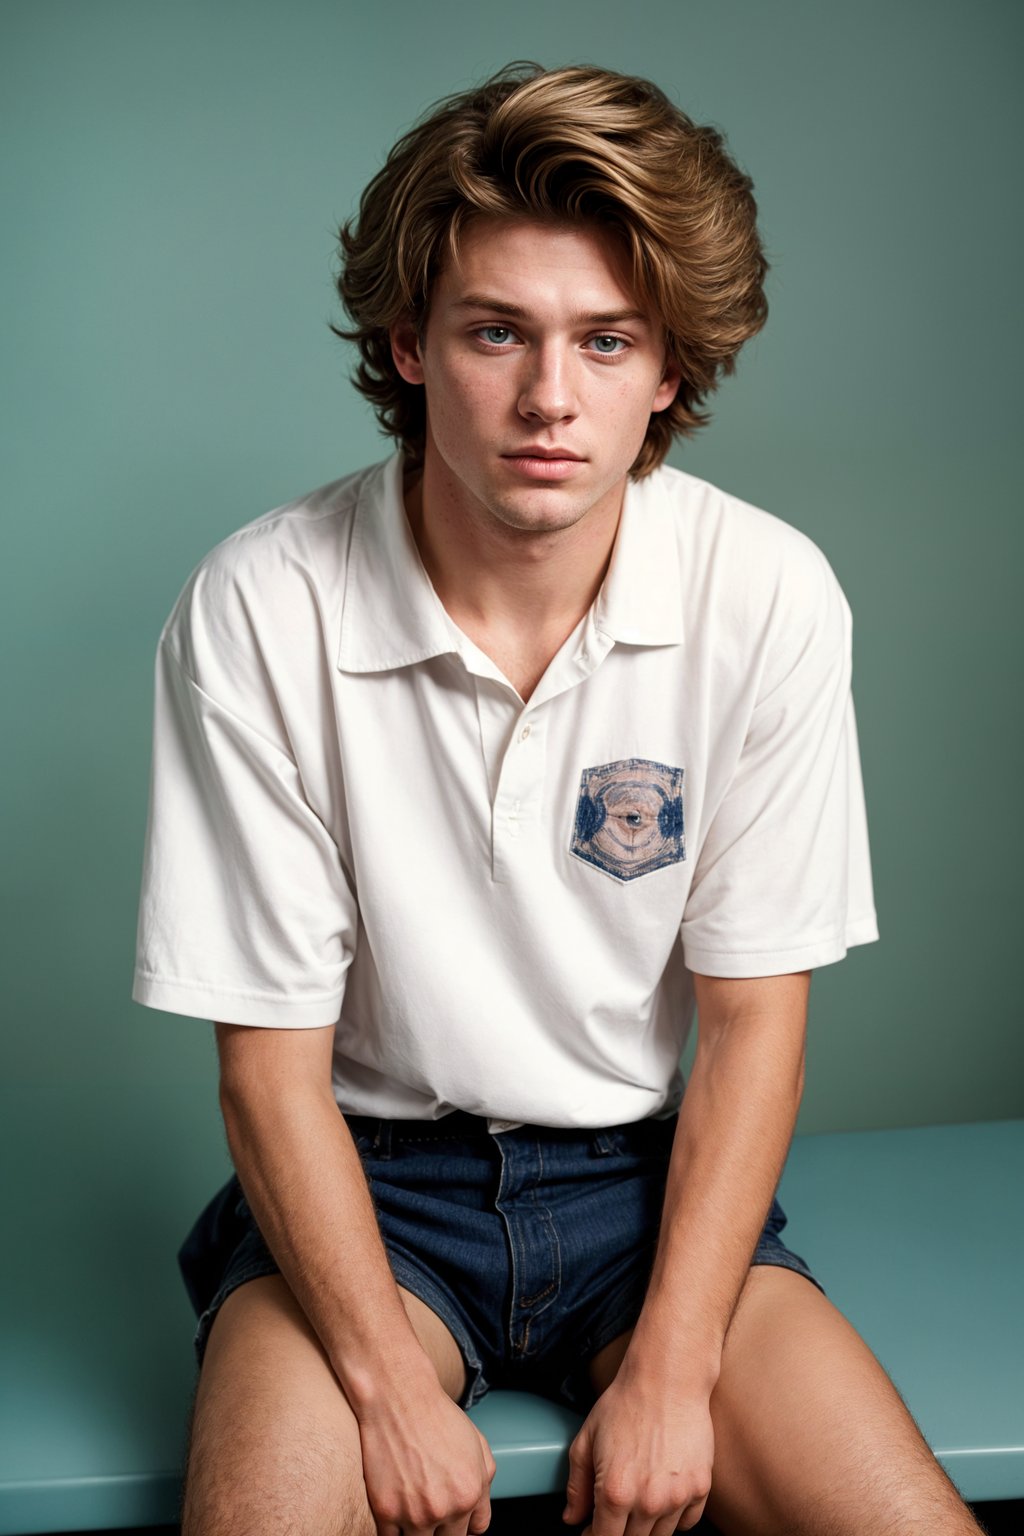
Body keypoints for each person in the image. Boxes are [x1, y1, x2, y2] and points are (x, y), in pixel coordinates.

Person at [132, 62, 982, 1536]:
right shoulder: (260, 604)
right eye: (494, 333)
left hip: (653, 1187)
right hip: (366, 1193)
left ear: (669, 372)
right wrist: (389, 1395)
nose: (549, 398)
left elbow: (753, 1026)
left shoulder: (765, 593)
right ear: (407, 344)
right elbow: (268, 1070)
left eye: (606, 342)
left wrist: (671, 1364)